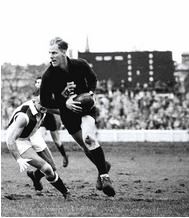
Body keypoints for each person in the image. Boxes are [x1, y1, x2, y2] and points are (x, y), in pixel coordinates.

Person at [40, 37, 115, 197]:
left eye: (54, 52)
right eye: (49, 53)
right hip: (68, 115)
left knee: (90, 138)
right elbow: (45, 101)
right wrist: (64, 103)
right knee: (86, 147)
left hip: (86, 108)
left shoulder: (80, 64)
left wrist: (91, 93)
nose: (51, 56)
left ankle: (104, 177)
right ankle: (103, 166)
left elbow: (93, 79)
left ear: (63, 52)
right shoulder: (48, 75)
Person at [6, 96, 69, 199]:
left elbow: (61, 110)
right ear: (34, 102)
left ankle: (35, 176)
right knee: (47, 169)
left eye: (47, 105)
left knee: (52, 167)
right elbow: (10, 140)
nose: (45, 107)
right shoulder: (24, 117)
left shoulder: (43, 105)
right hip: (19, 139)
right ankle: (66, 193)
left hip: (33, 134)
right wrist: (18, 158)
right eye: (42, 105)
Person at [34, 77, 69, 167]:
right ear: (35, 85)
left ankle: (65, 156)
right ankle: (44, 160)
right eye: (37, 82)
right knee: (39, 139)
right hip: (42, 120)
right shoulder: (34, 94)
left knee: (57, 141)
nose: (39, 84)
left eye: (41, 82)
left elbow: (53, 106)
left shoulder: (48, 93)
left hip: (50, 118)